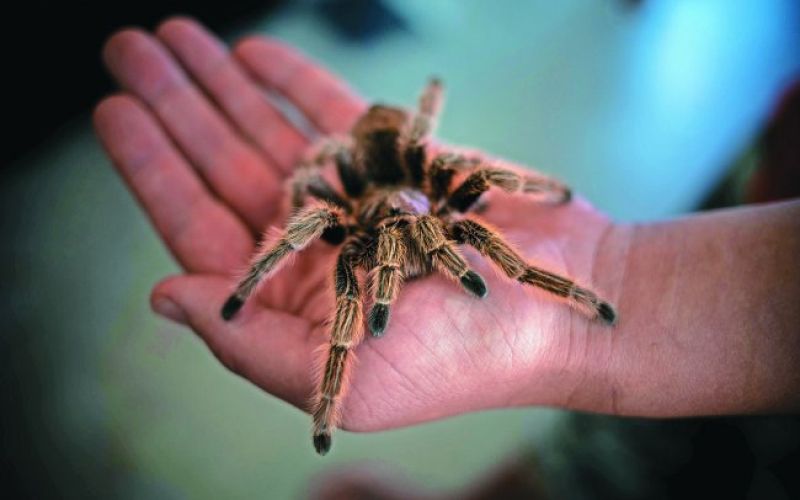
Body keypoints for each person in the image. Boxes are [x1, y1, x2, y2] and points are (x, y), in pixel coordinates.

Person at [94, 16, 800, 468]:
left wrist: (583, 260)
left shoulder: (436, 193)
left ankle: (574, 292)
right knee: (342, 281)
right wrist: (266, 263)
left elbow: (474, 175)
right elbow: (309, 191)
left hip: (409, 184)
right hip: (367, 203)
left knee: (481, 210)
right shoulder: (346, 210)